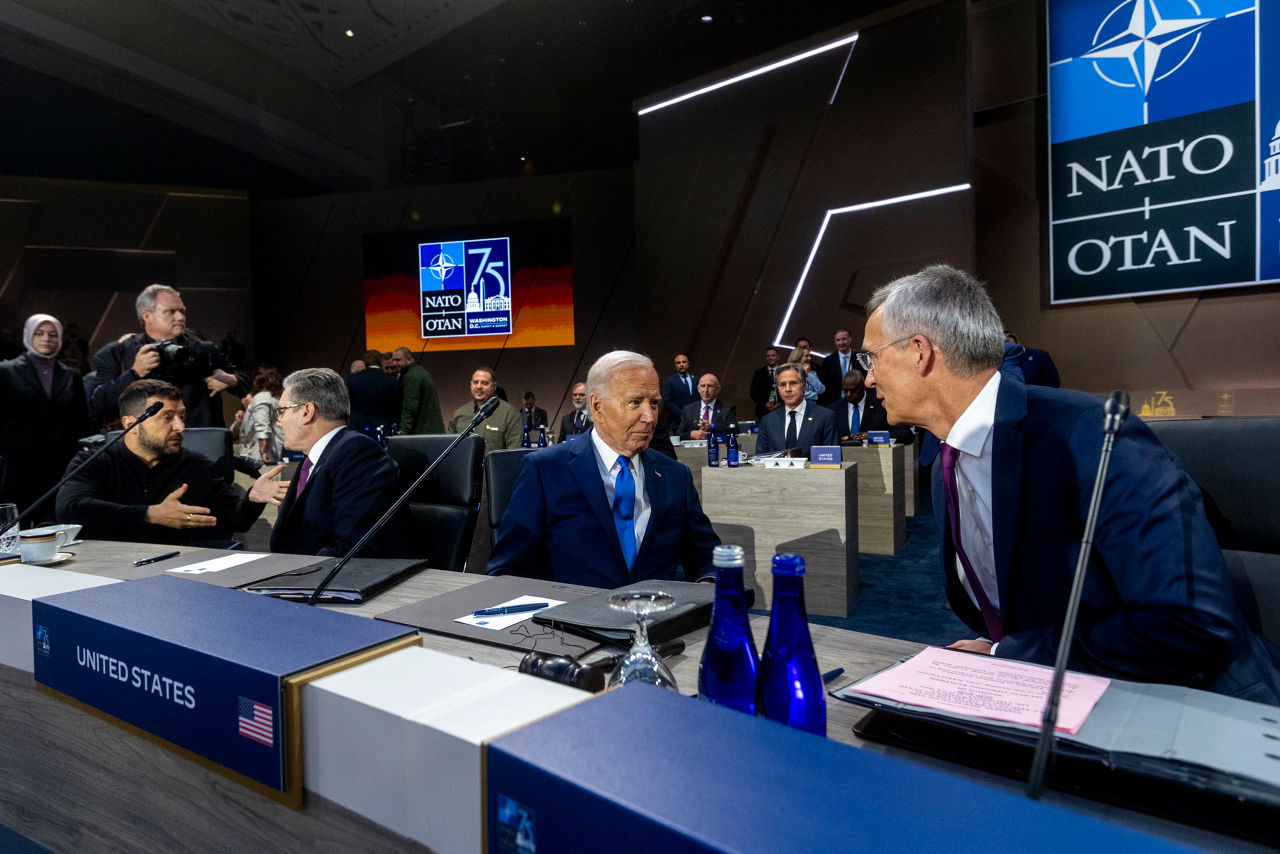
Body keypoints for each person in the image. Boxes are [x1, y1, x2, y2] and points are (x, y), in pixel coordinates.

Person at [862, 264, 1280, 703]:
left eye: (872, 356)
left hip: (1192, 712)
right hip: (1053, 698)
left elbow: (1192, 624)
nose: (868, 377)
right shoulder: (946, 458)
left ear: (919, 351)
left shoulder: (1092, 435)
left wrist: (1012, 655)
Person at [487, 351, 719, 587]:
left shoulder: (675, 476)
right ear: (597, 406)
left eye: (654, 403)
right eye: (635, 402)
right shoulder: (545, 470)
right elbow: (506, 570)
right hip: (572, 619)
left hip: (657, 619)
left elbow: (706, 556)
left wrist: (708, 584)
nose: (649, 417)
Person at [55, 379, 285, 545]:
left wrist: (253, 499)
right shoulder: (94, 460)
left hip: (171, 574)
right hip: (103, 569)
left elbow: (237, 520)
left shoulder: (196, 466)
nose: (180, 427)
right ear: (130, 424)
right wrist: (150, 514)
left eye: (182, 417)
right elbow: (69, 510)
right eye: (167, 418)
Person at [269, 368, 409, 558]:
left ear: (307, 412)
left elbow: (353, 546)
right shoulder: (313, 461)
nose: (279, 422)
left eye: (282, 412)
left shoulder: (357, 453)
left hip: (329, 581)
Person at [89, 284, 246, 429]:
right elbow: (98, 404)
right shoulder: (118, 352)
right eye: (171, 312)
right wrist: (134, 373)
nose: (180, 317)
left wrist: (232, 381)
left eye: (182, 311)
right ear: (147, 316)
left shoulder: (203, 349)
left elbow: (246, 381)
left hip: (199, 442)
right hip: (144, 448)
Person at [0, 314, 91, 521]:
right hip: (18, 463)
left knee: (54, 522)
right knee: (16, 523)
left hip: (59, 463)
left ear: (60, 338)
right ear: (28, 336)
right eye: (39, 333)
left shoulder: (71, 375)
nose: (46, 339)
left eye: (52, 334)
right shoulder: (6, 371)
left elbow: (81, 422)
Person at [755, 363, 838, 455]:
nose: (787, 389)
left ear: (804, 385)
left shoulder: (825, 417)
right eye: (782, 384)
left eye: (793, 383)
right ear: (778, 389)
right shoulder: (768, 421)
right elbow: (760, 460)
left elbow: (832, 460)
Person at [826, 368, 914, 444]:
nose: (848, 394)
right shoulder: (833, 410)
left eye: (852, 391)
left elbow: (906, 434)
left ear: (864, 387)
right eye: (845, 391)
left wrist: (873, 437)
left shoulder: (882, 405)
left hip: (876, 459)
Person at [449, 367, 522, 453]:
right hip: (463, 465)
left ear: (494, 386)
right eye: (475, 382)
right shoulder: (460, 413)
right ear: (471, 384)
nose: (479, 386)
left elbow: (514, 453)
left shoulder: (509, 413)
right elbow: (449, 448)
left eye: (485, 383)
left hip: (495, 466)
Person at [346, 348, 401, 437]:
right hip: (383, 431)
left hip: (358, 430)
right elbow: (397, 407)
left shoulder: (353, 380)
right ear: (381, 362)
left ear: (365, 363)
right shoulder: (392, 381)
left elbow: (346, 404)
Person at [390, 347, 445, 435]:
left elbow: (409, 407)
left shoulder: (412, 377)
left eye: (398, 360)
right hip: (430, 432)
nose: (394, 363)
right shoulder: (418, 372)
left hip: (423, 433)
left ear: (409, 359)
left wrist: (403, 432)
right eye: (393, 360)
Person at [243, 365, 286, 464]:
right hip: (276, 449)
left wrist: (262, 451)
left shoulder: (262, 397)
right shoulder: (276, 398)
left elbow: (262, 427)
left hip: (263, 453)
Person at [677, 374, 737, 441]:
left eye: (710, 386)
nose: (706, 390)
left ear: (718, 389)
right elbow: (679, 435)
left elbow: (735, 430)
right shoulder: (688, 409)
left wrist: (712, 428)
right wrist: (691, 434)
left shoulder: (727, 409)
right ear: (698, 389)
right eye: (703, 386)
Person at [816, 328, 856, 406]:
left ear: (850, 339)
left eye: (844, 339)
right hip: (835, 403)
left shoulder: (859, 359)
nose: (841, 343)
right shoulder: (828, 361)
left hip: (856, 400)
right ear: (835, 342)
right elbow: (825, 385)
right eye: (838, 340)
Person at [661, 353, 697, 431]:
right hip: (677, 421)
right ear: (675, 365)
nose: (681, 364)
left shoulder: (696, 379)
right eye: (678, 363)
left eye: (684, 362)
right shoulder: (669, 381)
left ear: (688, 364)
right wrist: (682, 415)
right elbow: (667, 401)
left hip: (696, 420)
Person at [749, 346, 784, 419]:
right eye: (768, 356)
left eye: (773, 355)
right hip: (763, 411)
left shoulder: (785, 371)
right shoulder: (759, 373)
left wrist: (780, 403)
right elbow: (753, 393)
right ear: (766, 358)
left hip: (782, 409)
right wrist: (764, 404)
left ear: (778, 357)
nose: (770, 358)